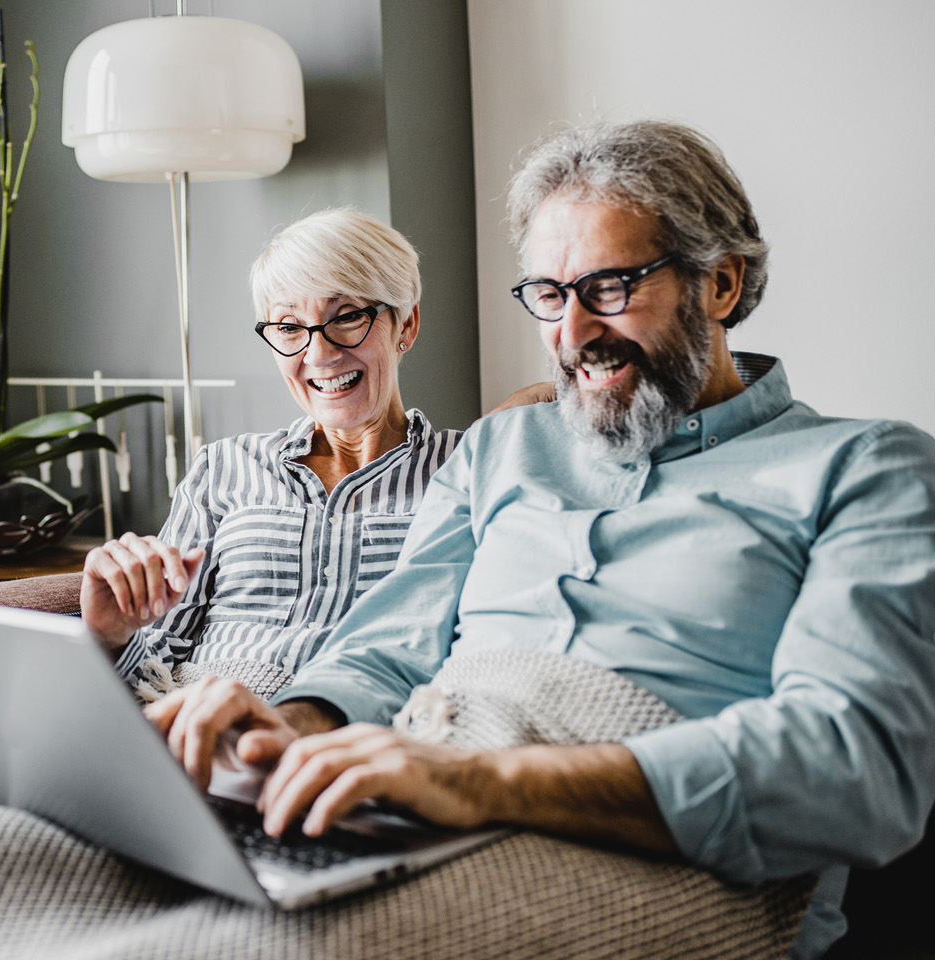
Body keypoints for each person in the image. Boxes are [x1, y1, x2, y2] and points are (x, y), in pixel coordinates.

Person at [146, 121, 935, 958]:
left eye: (609, 287)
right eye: (550, 296)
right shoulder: (502, 448)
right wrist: (287, 726)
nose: (573, 332)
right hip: (423, 801)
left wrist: (482, 781)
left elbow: (858, 769)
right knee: (9, 857)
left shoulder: (866, 468)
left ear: (722, 284)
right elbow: (386, 650)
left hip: (650, 862)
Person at [81, 208, 544, 699]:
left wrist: (516, 428)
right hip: (194, 719)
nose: (319, 355)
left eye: (346, 317)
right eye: (288, 327)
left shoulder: (468, 468)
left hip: (359, 736)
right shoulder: (225, 467)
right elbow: (155, 659)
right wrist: (110, 635)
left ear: (405, 325)